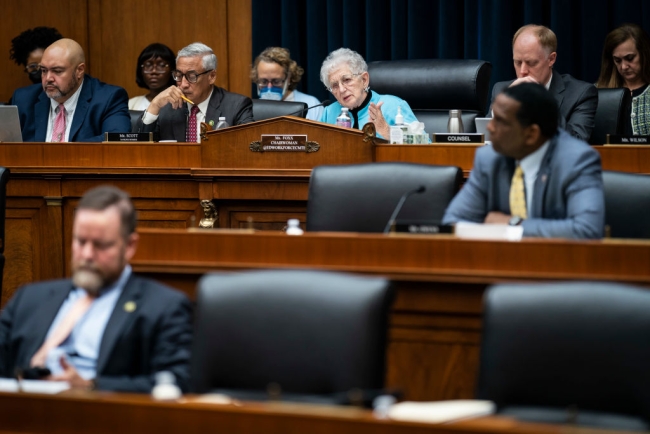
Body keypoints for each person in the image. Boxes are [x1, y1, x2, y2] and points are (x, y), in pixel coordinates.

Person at [0, 186, 192, 392]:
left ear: (129, 246)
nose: (87, 254)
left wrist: (91, 387)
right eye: (80, 242)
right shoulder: (28, 299)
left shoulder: (163, 307)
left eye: (100, 245)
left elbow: (174, 383)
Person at [443, 83, 604, 239]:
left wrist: (512, 224)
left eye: (500, 121)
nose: (490, 128)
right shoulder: (489, 158)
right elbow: (453, 223)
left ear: (531, 134)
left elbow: (587, 230)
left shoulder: (576, 161)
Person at [490, 24, 597, 142]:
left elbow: (577, 142)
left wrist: (541, 102)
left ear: (551, 59)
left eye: (531, 63)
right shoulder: (501, 89)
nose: (522, 71)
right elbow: (484, 139)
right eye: (518, 62)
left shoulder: (581, 94)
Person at [11, 38, 131, 142]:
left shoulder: (108, 98)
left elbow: (117, 140)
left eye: (57, 71)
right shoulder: (24, 99)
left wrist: (63, 153)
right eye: (44, 70)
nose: (48, 78)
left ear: (79, 70)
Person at [139, 42, 254, 142]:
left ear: (212, 76)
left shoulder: (236, 106)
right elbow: (138, 149)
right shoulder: (167, 107)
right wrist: (154, 105)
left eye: (191, 76)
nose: (183, 84)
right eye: (178, 75)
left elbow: (247, 147)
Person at [319, 48, 419, 139]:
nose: (341, 90)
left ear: (364, 79)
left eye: (347, 80)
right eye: (335, 85)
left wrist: (387, 132)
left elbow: (425, 148)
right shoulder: (329, 113)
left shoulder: (394, 106)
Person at [596, 23, 650, 136]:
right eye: (617, 60)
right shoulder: (596, 93)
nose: (624, 66)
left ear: (644, 54)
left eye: (630, 58)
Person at [250, 47, 323, 121]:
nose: (269, 87)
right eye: (264, 81)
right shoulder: (251, 110)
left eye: (276, 81)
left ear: (288, 78)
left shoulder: (312, 105)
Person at [129, 43, 176, 111]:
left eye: (161, 65)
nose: (154, 71)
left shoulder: (182, 104)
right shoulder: (130, 105)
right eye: (148, 65)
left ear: (172, 70)